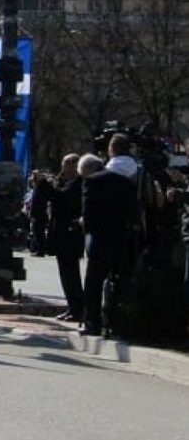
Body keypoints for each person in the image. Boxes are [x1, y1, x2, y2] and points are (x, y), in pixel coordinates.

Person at [80, 136, 139, 337]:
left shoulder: (93, 181)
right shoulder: (130, 183)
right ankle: (113, 323)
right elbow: (133, 213)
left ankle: (92, 322)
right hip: (121, 237)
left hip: (99, 237)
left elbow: (88, 214)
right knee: (118, 280)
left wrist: (87, 231)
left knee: (94, 282)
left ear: (111, 150)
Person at [45, 154, 84, 322]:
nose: (63, 169)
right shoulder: (66, 182)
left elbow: (62, 199)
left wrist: (46, 186)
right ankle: (72, 307)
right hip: (61, 234)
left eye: (66, 165)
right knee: (66, 274)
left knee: (71, 274)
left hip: (70, 235)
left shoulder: (78, 183)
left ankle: (77, 309)